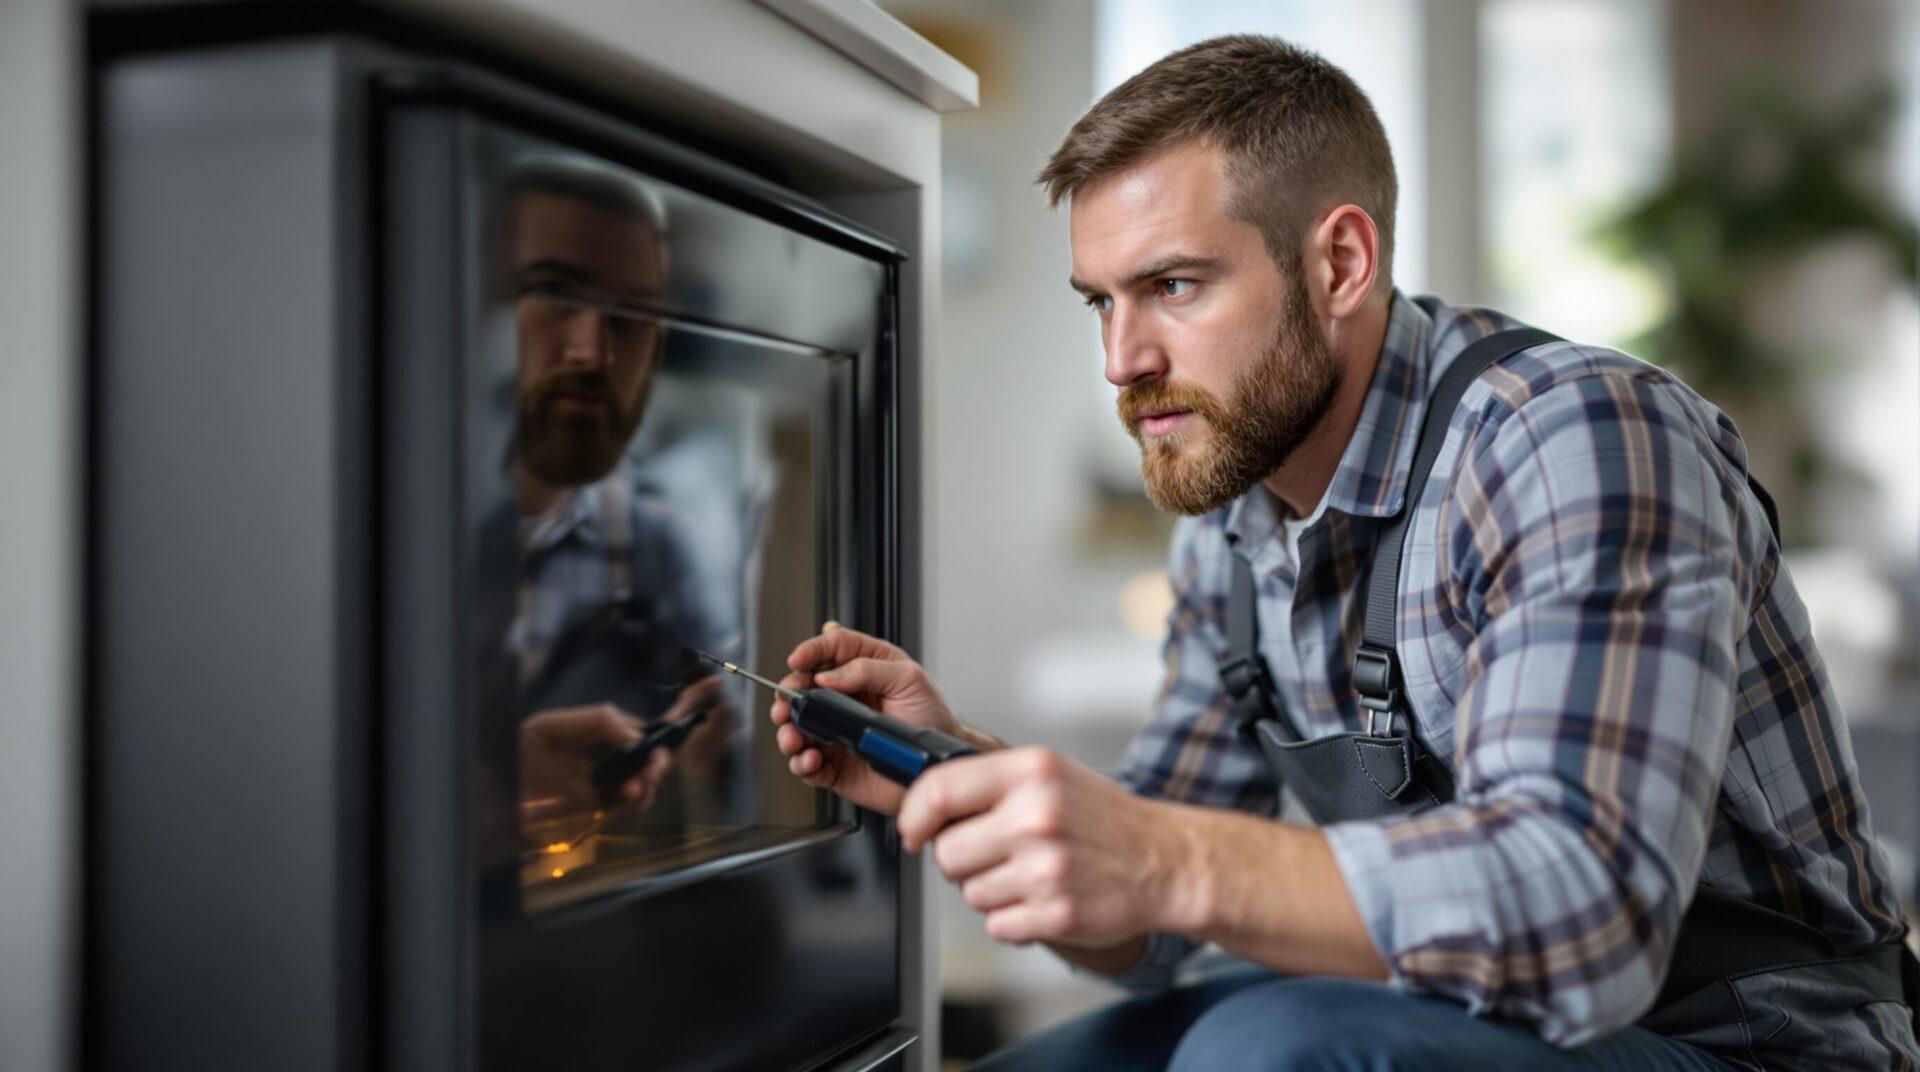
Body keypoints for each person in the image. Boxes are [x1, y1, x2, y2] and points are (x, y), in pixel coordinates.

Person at [767, 35, 1918, 1072]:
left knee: (1266, 1050)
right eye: (1100, 303)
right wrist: (970, 781)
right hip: (1457, 1010)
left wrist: (1160, 855)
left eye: (1173, 285)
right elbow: (1146, 935)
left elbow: (1586, 918)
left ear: (1340, 265)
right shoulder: (1232, 517)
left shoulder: (1573, 436)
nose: (1121, 359)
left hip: (1745, 1038)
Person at [484, 155, 743, 843]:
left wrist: (690, 780)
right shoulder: (388, 526)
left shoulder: (663, 549)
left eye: (634, 316)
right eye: (555, 293)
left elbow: (728, 786)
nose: (593, 351)